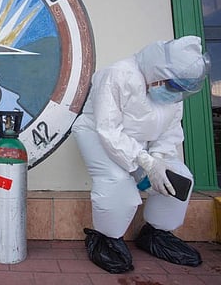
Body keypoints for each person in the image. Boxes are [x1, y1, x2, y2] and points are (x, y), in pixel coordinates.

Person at [71, 35, 209, 273]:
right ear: (158, 73)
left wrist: (159, 161)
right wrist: (145, 161)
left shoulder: (174, 92)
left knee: (178, 175)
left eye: (182, 89)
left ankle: (157, 234)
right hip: (96, 134)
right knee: (117, 183)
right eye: (174, 87)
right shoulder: (117, 75)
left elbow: (169, 134)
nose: (176, 94)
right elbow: (108, 129)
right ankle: (106, 239)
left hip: (136, 143)